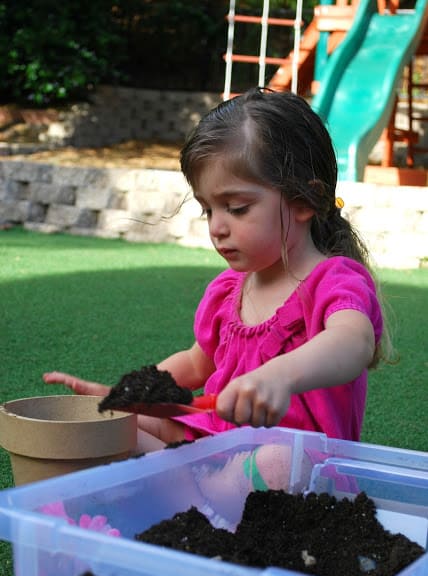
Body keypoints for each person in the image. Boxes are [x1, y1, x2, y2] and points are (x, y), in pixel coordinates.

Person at [43, 88, 387, 493]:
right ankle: (189, 493)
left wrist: (281, 376)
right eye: (209, 209)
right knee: (121, 427)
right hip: (215, 447)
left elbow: (353, 341)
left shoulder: (333, 280)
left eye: (237, 208)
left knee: (279, 463)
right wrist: (125, 397)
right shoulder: (228, 292)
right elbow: (194, 363)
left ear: (304, 200)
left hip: (301, 474)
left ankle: (185, 498)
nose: (217, 227)